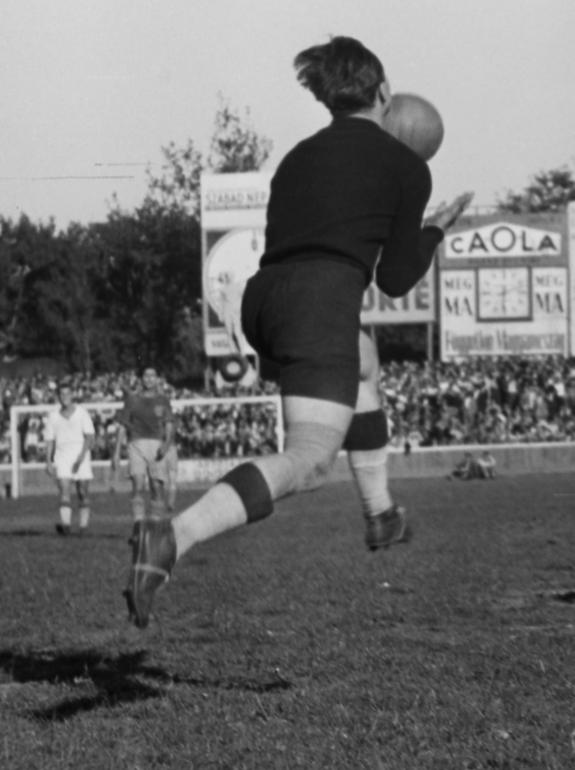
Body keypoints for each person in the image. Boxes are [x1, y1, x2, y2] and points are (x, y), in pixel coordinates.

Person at [124, 36, 470, 628]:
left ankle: (380, 513)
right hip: (318, 304)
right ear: (382, 91)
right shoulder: (407, 167)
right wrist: (435, 230)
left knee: (364, 361)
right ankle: (171, 538)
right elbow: (394, 279)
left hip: (262, 302)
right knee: (309, 461)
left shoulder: (298, 156)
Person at [111, 367, 178, 523]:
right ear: (141, 379)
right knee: (138, 484)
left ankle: (155, 525)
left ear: (157, 379)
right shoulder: (132, 399)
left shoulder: (163, 399)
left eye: (152, 376)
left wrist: (166, 446)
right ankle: (139, 525)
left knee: (156, 487)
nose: (149, 379)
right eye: (146, 375)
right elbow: (123, 426)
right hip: (136, 444)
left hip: (157, 446)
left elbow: (169, 425)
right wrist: (116, 452)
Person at [45, 384, 96, 535]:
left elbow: (89, 436)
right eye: (62, 393)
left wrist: (81, 457)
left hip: (81, 455)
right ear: (58, 396)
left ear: (72, 395)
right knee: (64, 490)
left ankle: (83, 527)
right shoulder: (53, 415)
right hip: (62, 456)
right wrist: (48, 461)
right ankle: (66, 526)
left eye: (68, 393)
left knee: (82, 492)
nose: (65, 396)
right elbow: (49, 440)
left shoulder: (82, 413)